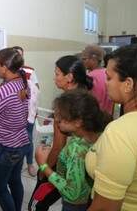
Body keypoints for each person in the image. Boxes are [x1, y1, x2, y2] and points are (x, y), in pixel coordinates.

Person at [85, 43, 137, 211]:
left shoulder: (120, 132)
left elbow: (105, 208)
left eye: (109, 78)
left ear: (128, 84)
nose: (106, 83)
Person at [34, 55, 93, 211]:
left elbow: (59, 146)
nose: (54, 78)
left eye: (57, 73)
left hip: (63, 170)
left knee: (36, 205)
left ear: (69, 77)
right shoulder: (86, 97)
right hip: (84, 172)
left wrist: (44, 168)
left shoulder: (65, 106)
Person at [36, 89, 111, 211]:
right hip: (89, 196)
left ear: (77, 122)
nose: (57, 120)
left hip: (74, 205)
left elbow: (72, 193)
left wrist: (44, 166)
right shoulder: (97, 134)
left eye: (60, 118)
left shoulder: (75, 150)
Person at [0, 47, 30, 211]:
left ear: (5, 67)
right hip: (21, 142)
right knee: (14, 180)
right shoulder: (22, 82)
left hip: (6, 147)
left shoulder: (4, 90)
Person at [13, 46, 40, 177]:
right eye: (16, 55)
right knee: (15, 139)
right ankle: (16, 165)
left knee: (28, 138)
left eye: (21, 55)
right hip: (14, 113)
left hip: (28, 112)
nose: (19, 58)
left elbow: (36, 89)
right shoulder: (8, 72)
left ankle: (29, 163)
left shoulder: (29, 71)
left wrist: (35, 109)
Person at [81, 45, 113, 114]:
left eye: (84, 59)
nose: (82, 62)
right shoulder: (107, 72)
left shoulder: (90, 77)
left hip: (95, 117)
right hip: (108, 116)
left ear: (93, 59)